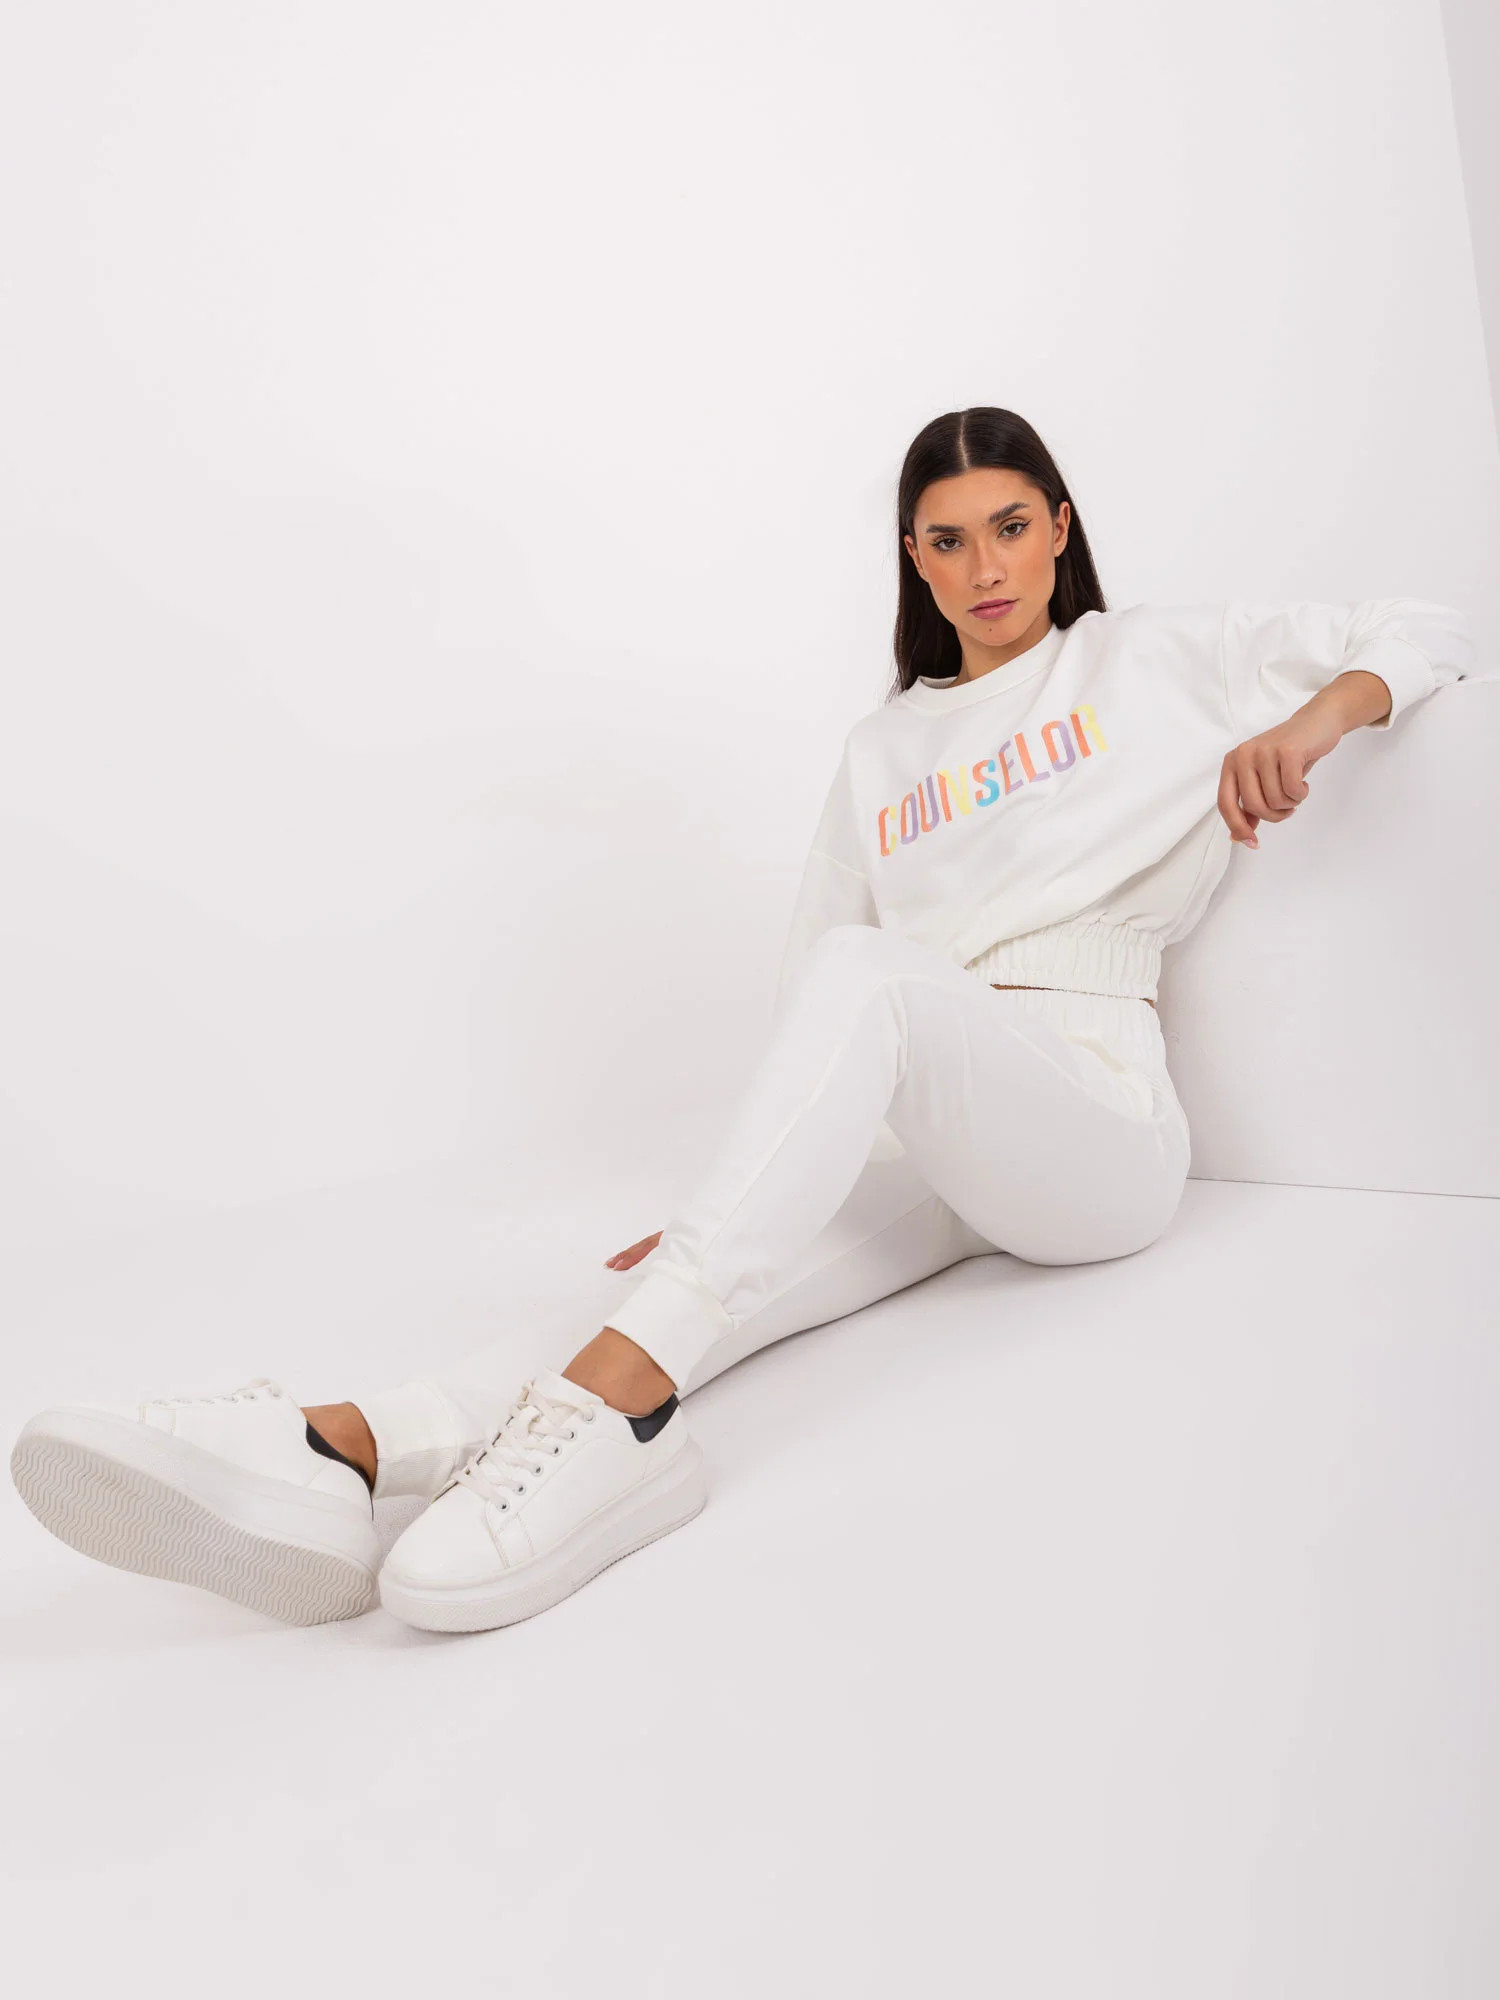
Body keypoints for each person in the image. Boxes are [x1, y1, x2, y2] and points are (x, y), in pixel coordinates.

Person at [9, 407, 1473, 1637]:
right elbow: (814, 982)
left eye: (1012, 527)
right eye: (947, 540)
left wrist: (1311, 719)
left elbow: (1425, 625)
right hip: (934, 1132)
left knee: (871, 983)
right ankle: (345, 1447)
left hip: (1094, 1121)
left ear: (1061, 527)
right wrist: (744, 1186)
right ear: (913, 558)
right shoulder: (883, 748)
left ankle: (627, 1425)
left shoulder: (1151, 659)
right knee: (709, 1245)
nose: (985, 567)